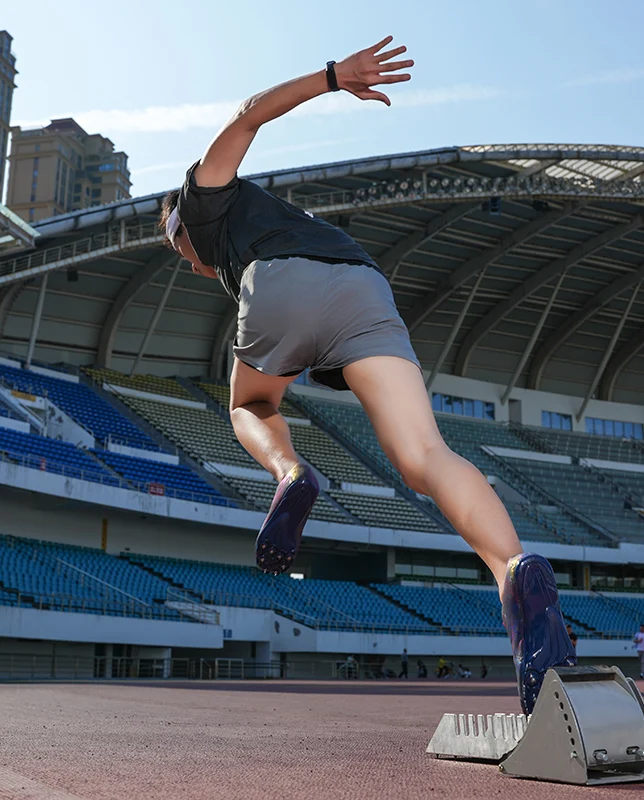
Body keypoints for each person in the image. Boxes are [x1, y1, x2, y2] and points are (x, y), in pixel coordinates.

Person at [160, 35, 575, 715]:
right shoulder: (281, 222)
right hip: (364, 288)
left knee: (250, 407)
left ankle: (292, 475)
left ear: (180, 225)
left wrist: (330, 77)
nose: (194, 265)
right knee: (426, 457)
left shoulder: (202, 201)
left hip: (282, 281)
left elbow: (245, 119)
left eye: (183, 255)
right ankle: (514, 571)